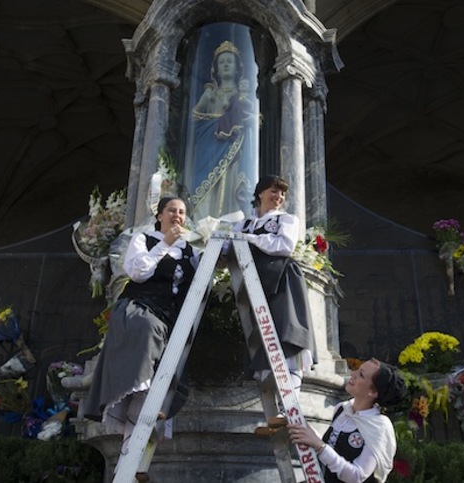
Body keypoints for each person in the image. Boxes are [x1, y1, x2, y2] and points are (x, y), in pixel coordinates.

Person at [83, 197, 200, 462]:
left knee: (153, 390)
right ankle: (129, 455)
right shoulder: (144, 240)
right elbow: (137, 272)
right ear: (160, 215)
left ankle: (130, 456)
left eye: (182, 212)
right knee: (143, 377)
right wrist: (165, 244)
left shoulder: (190, 251)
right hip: (141, 310)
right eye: (172, 210)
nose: (177, 216)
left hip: (170, 321)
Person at [229, 175, 316, 434]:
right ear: (259, 194)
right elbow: (227, 247)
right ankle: (277, 409)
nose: (278, 197)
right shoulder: (242, 223)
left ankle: (290, 405)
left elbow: (284, 245)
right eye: (273, 191)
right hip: (254, 284)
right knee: (263, 340)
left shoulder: (286, 220)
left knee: (287, 335)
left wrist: (250, 239)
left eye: (281, 193)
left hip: (281, 280)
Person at [287, 358, 407, 483]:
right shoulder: (342, 409)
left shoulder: (379, 426)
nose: (352, 374)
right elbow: (332, 448)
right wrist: (303, 428)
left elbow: (357, 476)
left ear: (373, 392)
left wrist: (319, 446)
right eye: (357, 370)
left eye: (361, 375)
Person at [186, 40, 259, 220]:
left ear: (237, 68)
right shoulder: (210, 92)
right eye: (222, 62)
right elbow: (195, 119)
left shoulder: (243, 95)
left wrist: (251, 121)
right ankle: (202, 224)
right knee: (206, 188)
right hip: (208, 148)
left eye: (229, 61)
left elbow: (255, 117)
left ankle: (231, 221)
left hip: (234, 148)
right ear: (216, 69)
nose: (225, 65)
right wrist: (206, 101)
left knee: (231, 184)